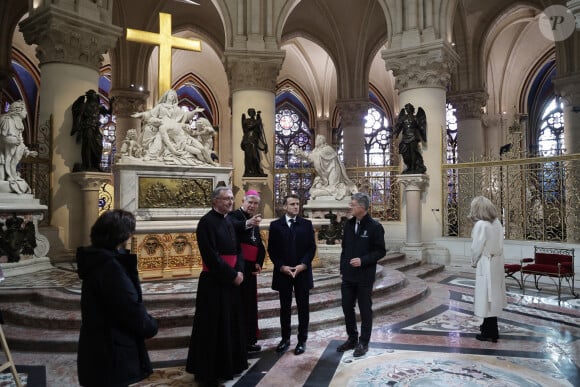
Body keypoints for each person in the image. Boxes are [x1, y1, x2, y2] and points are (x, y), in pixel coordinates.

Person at [76, 209, 158, 386]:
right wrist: (150, 325)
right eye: (130, 231)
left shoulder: (94, 258)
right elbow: (128, 307)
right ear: (122, 234)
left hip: (98, 343)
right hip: (113, 347)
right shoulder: (110, 267)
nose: (131, 235)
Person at [186, 186, 248, 385]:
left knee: (230, 323)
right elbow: (211, 257)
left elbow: (238, 249)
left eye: (231, 198)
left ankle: (231, 365)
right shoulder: (206, 222)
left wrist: (239, 270)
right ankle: (210, 370)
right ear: (215, 201)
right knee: (213, 327)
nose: (230, 202)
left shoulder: (230, 219)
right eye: (226, 199)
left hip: (231, 280)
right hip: (214, 282)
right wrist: (232, 275)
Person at [337, 192, 386, 357]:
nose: (350, 207)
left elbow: (380, 251)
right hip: (348, 276)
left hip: (364, 275)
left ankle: (364, 342)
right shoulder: (348, 225)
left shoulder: (375, 226)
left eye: (353, 205)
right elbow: (344, 249)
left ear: (362, 207)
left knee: (365, 309)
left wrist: (363, 260)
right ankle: (352, 338)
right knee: (346, 307)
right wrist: (342, 268)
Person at [267, 194, 316, 355]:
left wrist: (303, 265)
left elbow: (311, 248)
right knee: (285, 308)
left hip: (302, 272)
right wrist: (281, 267)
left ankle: (302, 340)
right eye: (292, 204)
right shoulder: (275, 225)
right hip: (284, 273)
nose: (296, 207)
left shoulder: (306, 224)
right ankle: (285, 339)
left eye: (298, 204)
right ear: (284, 207)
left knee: (303, 308)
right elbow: (272, 250)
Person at [229, 190, 266, 352]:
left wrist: (258, 261)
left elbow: (258, 243)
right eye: (249, 202)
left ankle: (250, 340)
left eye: (255, 203)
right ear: (242, 201)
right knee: (239, 305)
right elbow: (233, 228)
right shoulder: (233, 216)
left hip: (250, 269)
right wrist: (248, 223)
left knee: (250, 305)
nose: (252, 205)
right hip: (238, 268)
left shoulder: (254, 221)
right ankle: (238, 341)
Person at [468, 195, 507, 343]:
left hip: (486, 262)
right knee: (493, 296)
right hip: (497, 261)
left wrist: (473, 261)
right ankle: (491, 329)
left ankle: (488, 331)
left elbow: (476, 247)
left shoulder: (481, 225)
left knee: (486, 297)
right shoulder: (497, 222)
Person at [295, 134, 357, 200]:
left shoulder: (327, 149)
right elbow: (311, 157)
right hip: (325, 174)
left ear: (321, 141)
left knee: (333, 187)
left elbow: (314, 156)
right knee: (317, 187)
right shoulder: (316, 150)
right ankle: (322, 191)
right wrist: (301, 154)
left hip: (333, 169)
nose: (316, 141)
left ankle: (343, 190)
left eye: (317, 140)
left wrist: (303, 154)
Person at [0, 100, 38, 194]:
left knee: (19, 148)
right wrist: (12, 140)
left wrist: (27, 152)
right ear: (18, 110)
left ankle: (11, 176)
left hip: (11, 154)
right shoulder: (6, 120)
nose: (26, 113)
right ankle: (7, 177)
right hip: (2, 154)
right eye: (24, 110)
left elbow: (21, 142)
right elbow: (2, 138)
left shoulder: (19, 124)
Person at [71, 89, 108, 172]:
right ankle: (87, 165)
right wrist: (78, 127)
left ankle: (96, 164)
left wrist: (112, 103)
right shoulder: (84, 106)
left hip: (96, 129)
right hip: (87, 128)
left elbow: (109, 112)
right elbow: (78, 115)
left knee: (99, 146)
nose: (95, 96)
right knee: (87, 146)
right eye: (93, 94)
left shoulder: (98, 106)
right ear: (90, 96)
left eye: (95, 94)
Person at [393, 103, 427, 174]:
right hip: (405, 137)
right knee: (404, 152)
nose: (407, 109)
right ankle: (409, 165)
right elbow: (398, 126)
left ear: (412, 109)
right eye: (406, 108)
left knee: (413, 152)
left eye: (408, 108)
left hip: (413, 137)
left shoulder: (415, 118)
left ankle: (412, 167)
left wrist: (423, 135)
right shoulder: (403, 118)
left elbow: (420, 127)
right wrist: (394, 134)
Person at [241, 108, 268, 177]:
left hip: (254, 141)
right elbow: (249, 127)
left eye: (254, 112)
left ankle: (256, 171)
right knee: (250, 157)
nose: (253, 113)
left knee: (256, 157)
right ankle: (249, 171)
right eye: (251, 112)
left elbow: (259, 135)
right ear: (249, 113)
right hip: (248, 140)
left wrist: (264, 145)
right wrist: (257, 122)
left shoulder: (256, 122)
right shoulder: (246, 121)